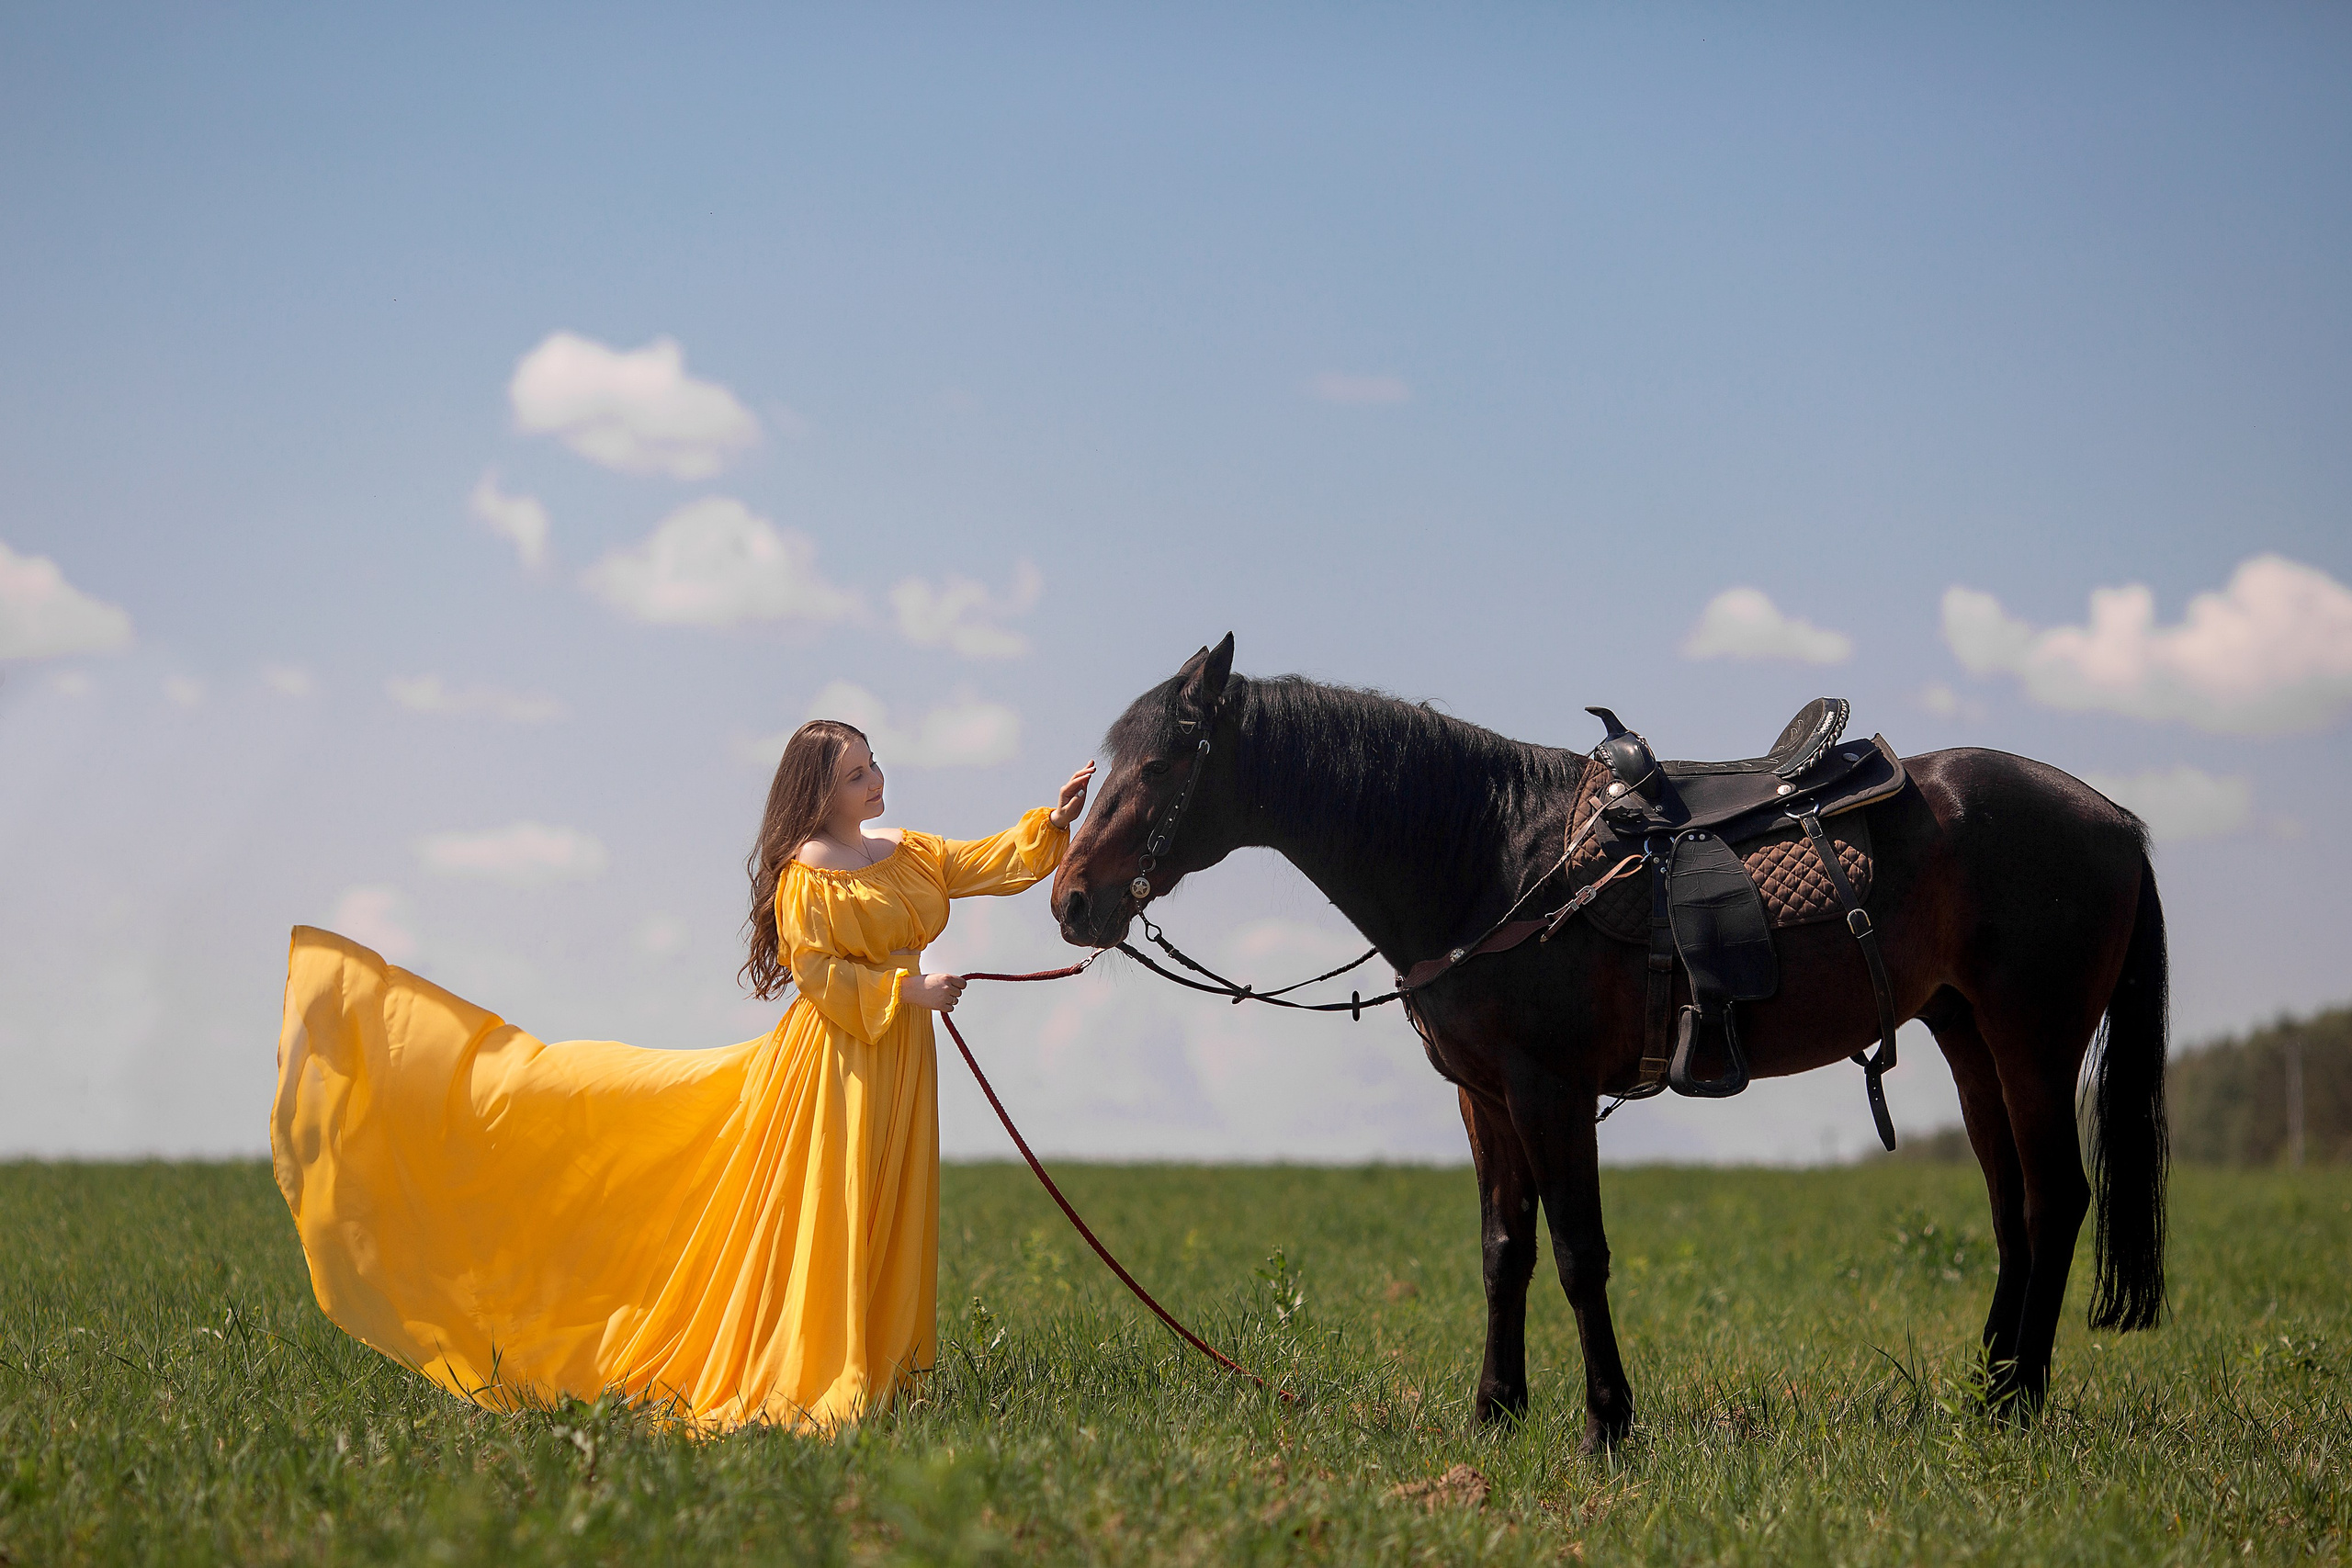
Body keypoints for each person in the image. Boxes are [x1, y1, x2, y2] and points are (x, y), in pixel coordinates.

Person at [270, 719, 1093, 1431]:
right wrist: (907, 990)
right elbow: (818, 977)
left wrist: (1052, 826)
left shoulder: (906, 849)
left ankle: (886, 1374)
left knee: (890, 1203)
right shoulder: (806, 875)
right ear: (820, 790)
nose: (876, 778)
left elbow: (987, 863)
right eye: (857, 772)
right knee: (836, 1206)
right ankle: (820, 1367)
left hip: (901, 1059)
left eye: (874, 762)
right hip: (840, 1060)